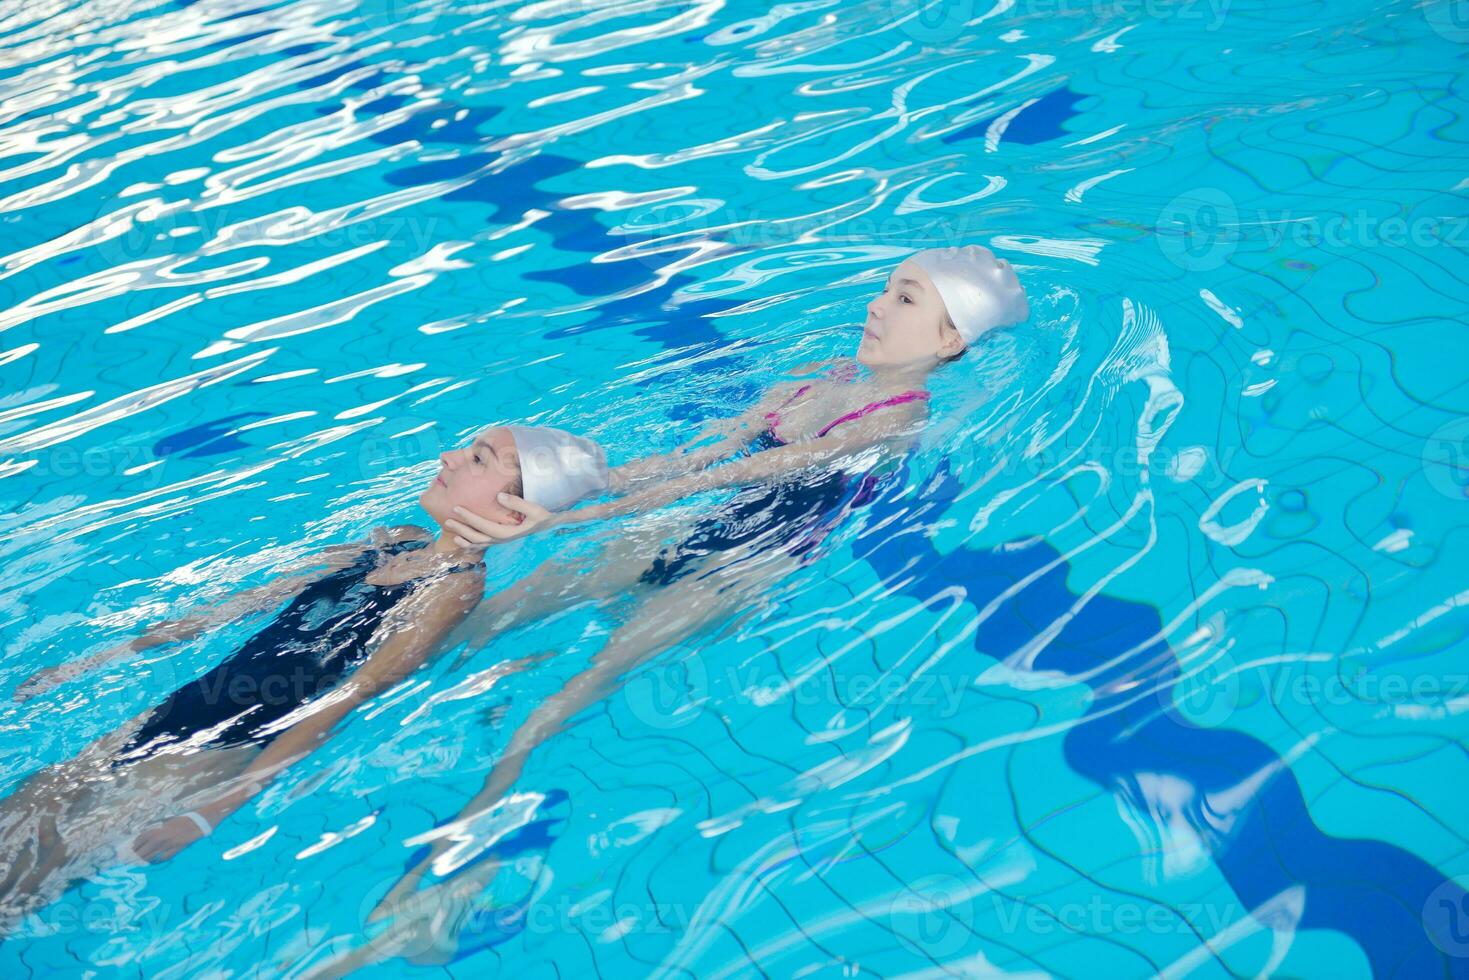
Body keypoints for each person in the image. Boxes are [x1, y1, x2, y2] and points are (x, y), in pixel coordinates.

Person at [368, 245, 1030, 932]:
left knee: (559, 704)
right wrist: (580, 493)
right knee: (487, 618)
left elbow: (739, 477)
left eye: (905, 298)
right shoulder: (813, 380)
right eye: (887, 287)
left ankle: (448, 869)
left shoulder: (896, 419)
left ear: (950, 338)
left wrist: (577, 517)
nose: (875, 304)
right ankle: (340, 692)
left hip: (739, 567)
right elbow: (694, 460)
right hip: (678, 530)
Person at [0, 425, 608, 931]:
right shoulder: (396, 540)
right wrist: (103, 657)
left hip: (227, 742)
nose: (449, 456)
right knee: (30, 801)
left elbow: (353, 695)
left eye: (479, 459)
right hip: (183, 705)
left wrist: (215, 807)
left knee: (48, 860)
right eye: (465, 446)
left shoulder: (451, 589)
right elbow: (244, 602)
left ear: (515, 507)